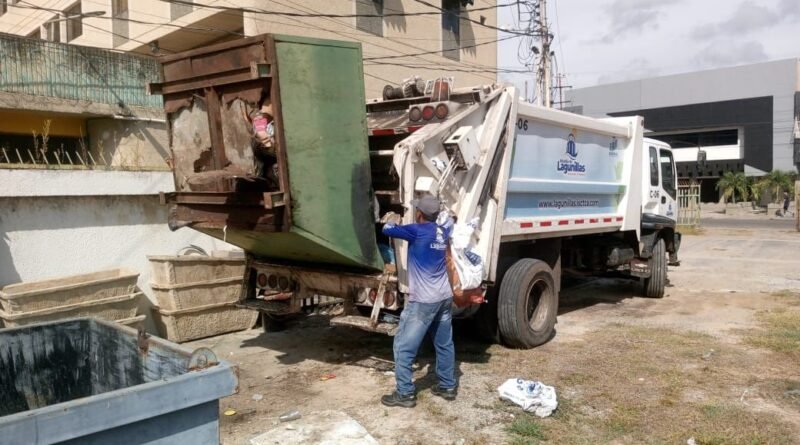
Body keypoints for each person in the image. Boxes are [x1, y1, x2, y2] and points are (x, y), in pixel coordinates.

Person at [380, 194, 457, 408]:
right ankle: (448, 385)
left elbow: (386, 230)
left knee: (403, 346)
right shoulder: (443, 232)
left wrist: (392, 218)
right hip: (444, 297)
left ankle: (405, 393)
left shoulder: (415, 230)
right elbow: (451, 222)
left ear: (419, 214)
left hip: (423, 301)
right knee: (444, 343)